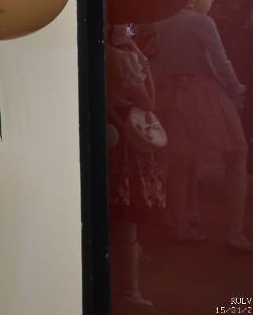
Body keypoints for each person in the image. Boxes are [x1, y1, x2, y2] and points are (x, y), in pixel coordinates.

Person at [154, 0, 253, 253]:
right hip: (205, 93)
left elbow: (162, 65)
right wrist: (236, 89)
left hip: (174, 94)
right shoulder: (201, 22)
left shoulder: (162, 23)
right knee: (237, 154)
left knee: (181, 161)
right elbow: (220, 61)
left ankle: (182, 224)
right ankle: (234, 232)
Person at [106, 24, 166, 307]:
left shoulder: (99, 54)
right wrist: (138, 55)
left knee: (111, 214)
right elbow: (149, 100)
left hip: (109, 131)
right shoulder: (125, 58)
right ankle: (131, 288)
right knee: (127, 218)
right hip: (128, 138)